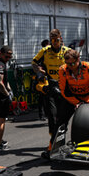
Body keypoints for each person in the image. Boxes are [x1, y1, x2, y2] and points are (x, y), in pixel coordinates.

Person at [32, 29, 70, 158]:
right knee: (52, 117)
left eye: (57, 40)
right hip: (50, 87)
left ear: (60, 39)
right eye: (52, 39)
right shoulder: (45, 51)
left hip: (64, 87)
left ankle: (59, 142)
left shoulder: (66, 51)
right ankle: (53, 142)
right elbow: (34, 62)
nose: (55, 42)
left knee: (62, 118)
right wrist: (39, 70)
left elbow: (76, 65)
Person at [58, 49, 89, 127]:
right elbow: (63, 90)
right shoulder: (63, 69)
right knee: (60, 121)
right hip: (71, 98)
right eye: (67, 64)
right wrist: (76, 102)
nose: (70, 66)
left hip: (88, 98)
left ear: (78, 59)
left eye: (72, 63)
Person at [37, 39, 50, 121]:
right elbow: (37, 65)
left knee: (48, 98)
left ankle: (47, 114)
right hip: (42, 78)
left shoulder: (50, 54)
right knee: (42, 97)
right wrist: (40, 75)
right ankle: (41, 115)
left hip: (48, 77)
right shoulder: (41, 54)